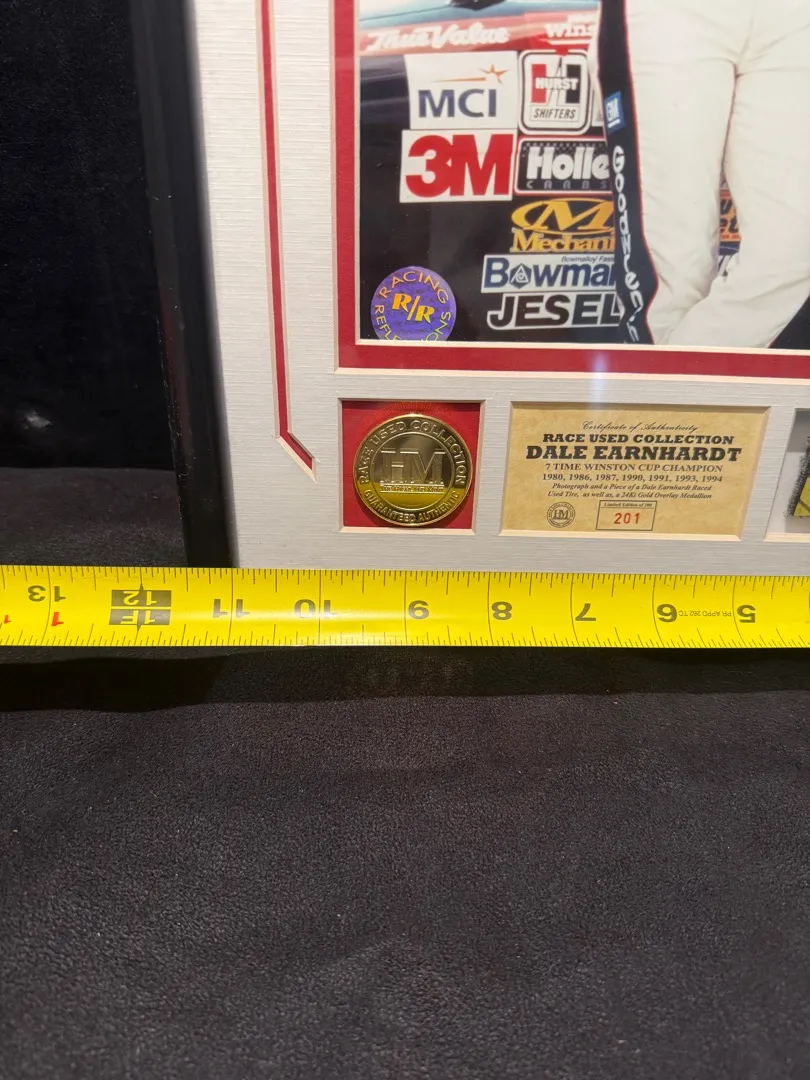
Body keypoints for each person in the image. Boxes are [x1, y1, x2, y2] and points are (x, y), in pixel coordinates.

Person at [594, 0, 810, 348]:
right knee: (670, 280)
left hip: (796, 16)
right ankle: (666, 377)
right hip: (675, 13)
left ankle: (678, 376)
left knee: (795, 253)